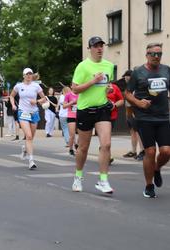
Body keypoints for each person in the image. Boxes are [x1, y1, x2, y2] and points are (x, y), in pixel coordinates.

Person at [125, 43, 170, 198]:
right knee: (150, 152)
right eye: (153, 54)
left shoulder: (166, 70)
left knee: (166, 152)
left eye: (159, 54)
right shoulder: (138, 72)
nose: (156, 57)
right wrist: (138, 103)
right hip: (144, 118)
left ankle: (156, 168)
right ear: (147, 55)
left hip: (163, 117)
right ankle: (149, 185)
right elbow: (128, 93)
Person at [71, 36, 115, 194]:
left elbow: (108, 85)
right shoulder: (83, 67)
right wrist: (93, 81)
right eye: (96, 46)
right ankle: (78, 176)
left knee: (106, 144)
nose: (99, 49)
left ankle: (103, 180)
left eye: (101, 46)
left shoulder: (109, 65)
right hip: (85, 110)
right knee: (83, 148)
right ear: (89, 48)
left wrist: (108, 89)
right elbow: (74, 89)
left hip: (102, 109)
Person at [10, 68, 47, 170]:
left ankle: (25, 149)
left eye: (30, 74)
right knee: (29, 136)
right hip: (23, 112)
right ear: (23, 76)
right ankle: (31, 161)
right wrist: (13, 105)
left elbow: (44, 98)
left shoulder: (36, 86)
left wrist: (37, 101)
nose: (29, 75)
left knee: (31, 137)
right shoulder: (19, 86)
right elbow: (11, 96)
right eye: (27, 74)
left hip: (34, 113)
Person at [122, 70, 145, 161]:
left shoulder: (136, 86)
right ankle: (133, 150)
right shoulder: (128, 86)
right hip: (129, 111)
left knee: (139, 131)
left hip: (136, 111)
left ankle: (143, 151)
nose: (125, 78)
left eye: (126, 76)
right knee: (132, 131)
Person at [106, 82, 124, 164]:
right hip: (99, 114)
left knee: (107, 135)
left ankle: (105, 151)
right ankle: (106, 154)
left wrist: (114, 105)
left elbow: (121, 100)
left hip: (112, 115)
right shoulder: (96, 85)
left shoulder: (114, 87)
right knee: (105, 136)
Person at [63, 86, 78, 156]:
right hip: (71, 116)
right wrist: (72, 102)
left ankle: (78, 146)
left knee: (81, 135)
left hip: (80, 116)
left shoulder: (81, 94)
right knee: (72, 135)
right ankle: (71, 149)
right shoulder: (68, 95)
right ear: (72, 86)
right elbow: (64, 106)